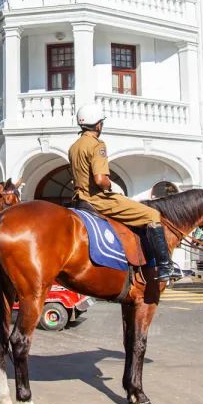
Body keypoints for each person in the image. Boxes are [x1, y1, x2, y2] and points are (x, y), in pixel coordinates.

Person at [68, 103, 182, 282]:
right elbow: (99, 179)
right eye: (101, 123)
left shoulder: (74, 146)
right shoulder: (97, 145)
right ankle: (165, 266)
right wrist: (110, 186)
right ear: (98, 125)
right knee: (152, 215)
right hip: (98, 199)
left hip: (78, 198)